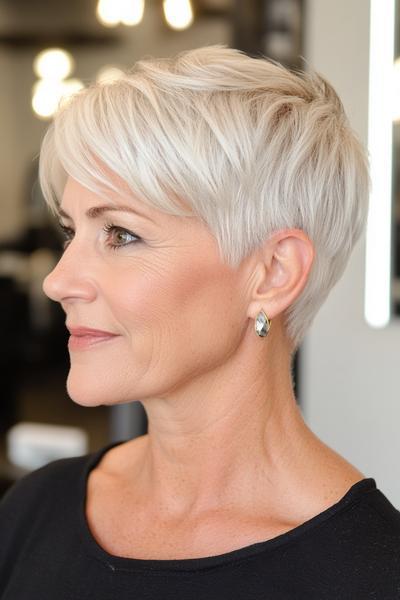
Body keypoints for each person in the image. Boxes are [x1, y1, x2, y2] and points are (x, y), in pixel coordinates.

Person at [1, 44, 399, 599]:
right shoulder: (32, 511)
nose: (59, 281)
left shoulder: (371, 575)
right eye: (73, 233)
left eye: (120, 234)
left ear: (271, 274)